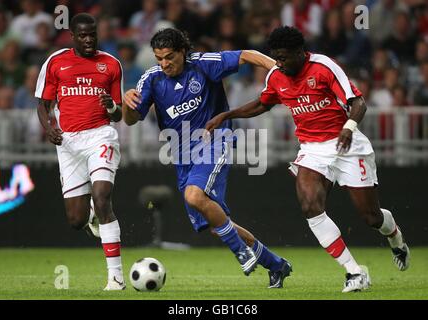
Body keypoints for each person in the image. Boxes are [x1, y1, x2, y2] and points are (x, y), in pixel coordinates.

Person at [205, 26, 410, 293]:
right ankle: (354, 272)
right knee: (310, 205)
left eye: (284, 57)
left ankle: (396, 239)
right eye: (275, 57)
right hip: (312, 149)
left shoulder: (323, 67)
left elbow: (358, 102)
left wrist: (348, 127)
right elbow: (262, 104)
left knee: (370, 217)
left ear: (300, 52)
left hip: (347, 143)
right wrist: (226, 115)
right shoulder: (277, 76)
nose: (279, 63)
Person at [123, 28, 292, 288]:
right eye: (159, 58)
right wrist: (127, 103)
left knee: (194, 195)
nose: (164, 63)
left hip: (214, 140)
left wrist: (275, 68)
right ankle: (276, 265)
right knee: (216, 223)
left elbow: (247, 54)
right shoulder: (152, 79)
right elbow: (131, 120)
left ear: (182, 51)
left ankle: (240, 252)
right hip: (181, 155)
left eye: (169, 57)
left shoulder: (203, 65)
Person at [35, 13, 125, 291]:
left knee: (101, 197)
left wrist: (110, 106)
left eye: (93, 35)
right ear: (72, 36)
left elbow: (119, 113)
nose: (88, 40)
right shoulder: (56, 62)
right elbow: (43, 102)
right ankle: (92, 215)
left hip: (101, 136)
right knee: (76, 220)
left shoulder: (110, 64)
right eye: (83, 35)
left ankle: (116, 278)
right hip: (69, 144)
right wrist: (48, 126)